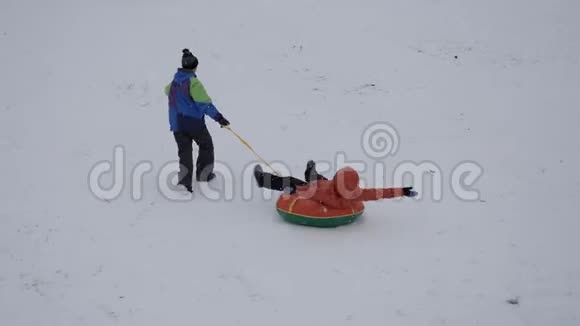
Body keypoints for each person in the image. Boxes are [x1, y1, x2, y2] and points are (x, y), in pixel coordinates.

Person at [165, 49, 230, 192]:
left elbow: (166, 91)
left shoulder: (174, 83)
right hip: (193, 123)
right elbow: (205, 104)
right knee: (206, 145)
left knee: (184, 152)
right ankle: (204, 175)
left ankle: (184, 182)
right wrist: (219, 118)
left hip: (177, 124)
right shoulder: (193, 83)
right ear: (195, 66)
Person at [253, 161, 417, 209]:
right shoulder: (357, 193)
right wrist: (402, 191)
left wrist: (294, 189)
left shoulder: (326, 194)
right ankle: (311, 171)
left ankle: (263, 180)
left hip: (316, 187)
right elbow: (379, 193)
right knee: (318, 177)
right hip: (324, 184)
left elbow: (308, 192)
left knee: (293, 180)